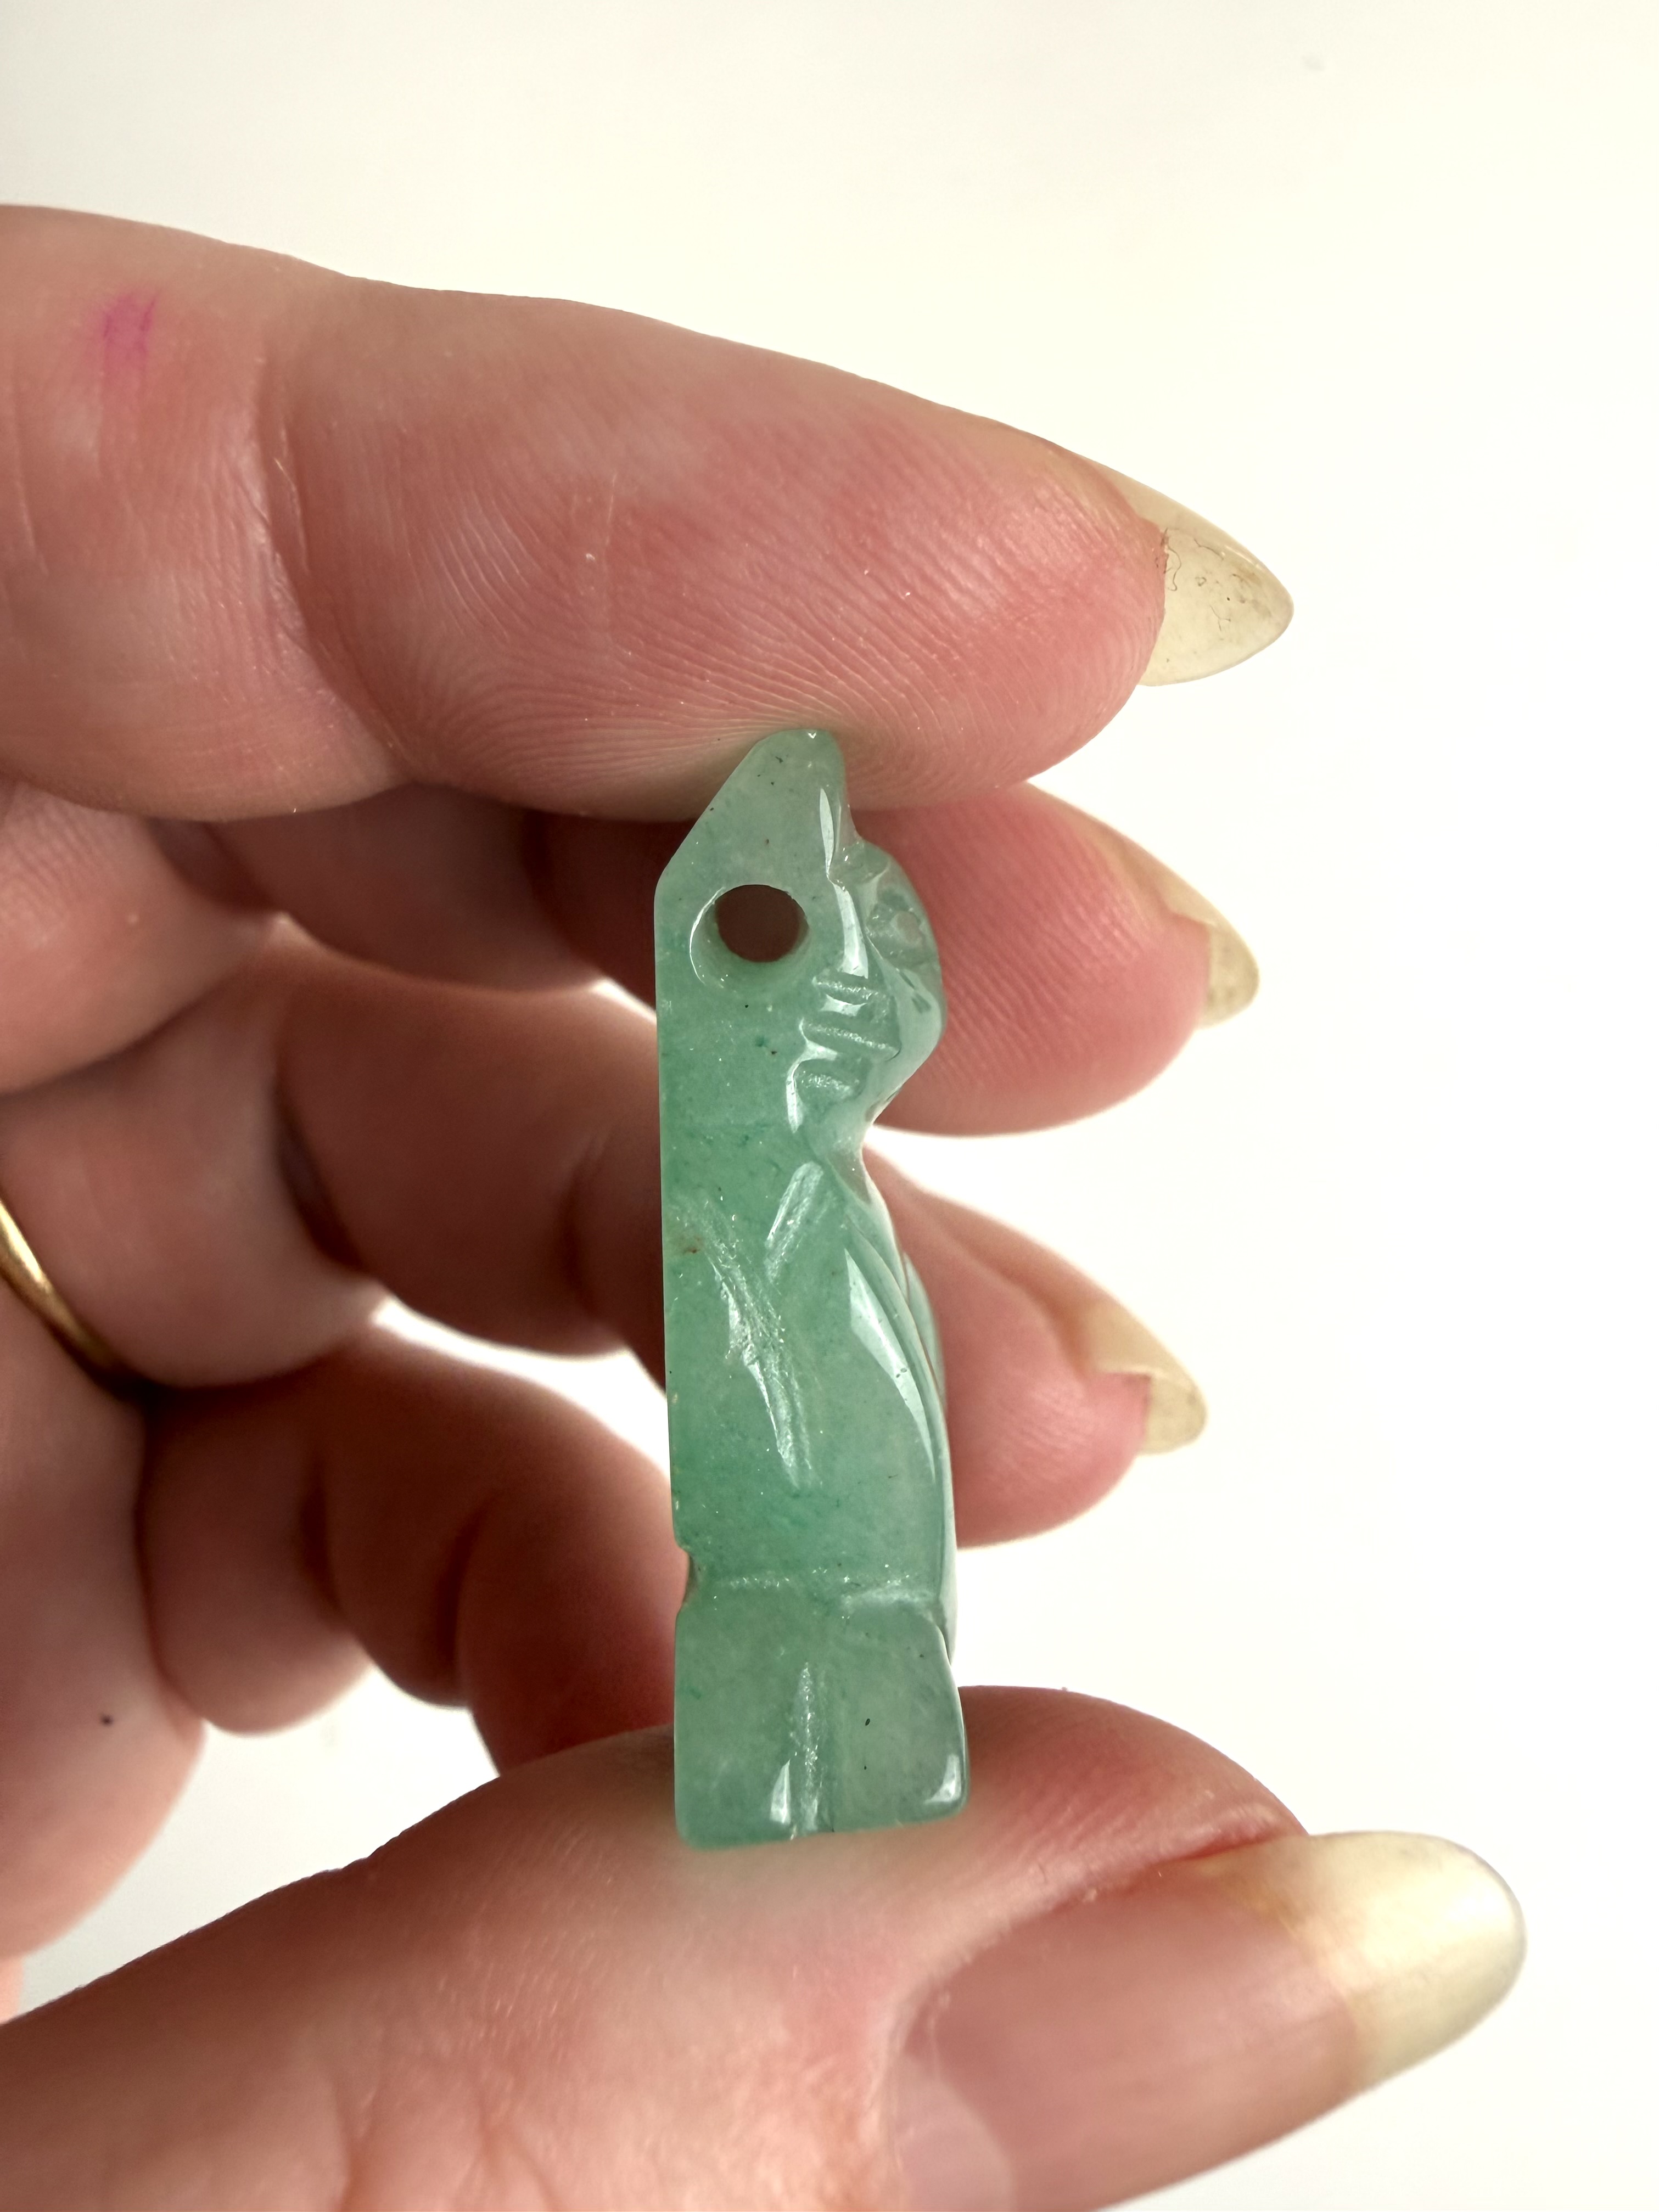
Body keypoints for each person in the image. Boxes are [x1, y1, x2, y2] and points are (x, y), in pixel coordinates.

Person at [0, 205, 1522, 2210]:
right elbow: (778, 1314)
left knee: (856, 1503)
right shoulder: (755, 1156)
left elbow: (859, 1084)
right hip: (786, 1421)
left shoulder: (785, 1130)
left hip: (812, 1377)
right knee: (817, 1526)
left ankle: (819, 1707)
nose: (884, 1002)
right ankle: (807, 1725)